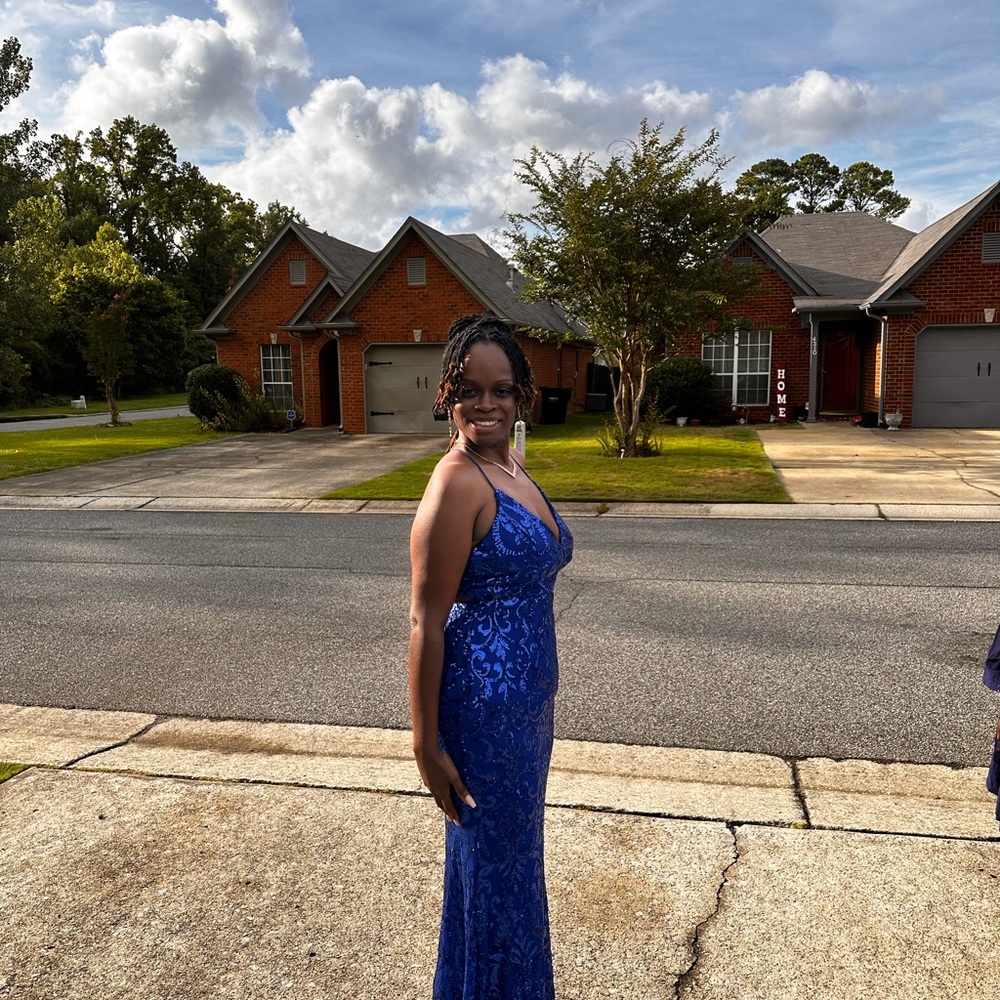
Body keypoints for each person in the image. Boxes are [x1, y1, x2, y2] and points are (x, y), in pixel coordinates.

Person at [408, 314, 574, 998]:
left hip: (526, 710)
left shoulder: (509, 465)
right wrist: (425, 745)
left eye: (501, 390)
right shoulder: (456, 483)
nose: (486, 404)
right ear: (448, 391)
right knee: (494, 875)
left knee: (509, 871)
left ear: (521, 397)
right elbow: (425, 619)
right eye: (470, 389)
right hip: (483, 717)